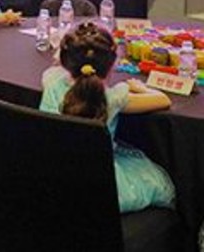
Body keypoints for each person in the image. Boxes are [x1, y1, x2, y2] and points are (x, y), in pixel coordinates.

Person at [39, 23, 175, 213]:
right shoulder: (114, 98)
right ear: (113, 63)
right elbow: (163, 100)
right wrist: (141, 87)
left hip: (51, 177)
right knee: (163, 184)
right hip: (102, 187)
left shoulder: (50, 80)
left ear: (64, 60)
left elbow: (54, 73)